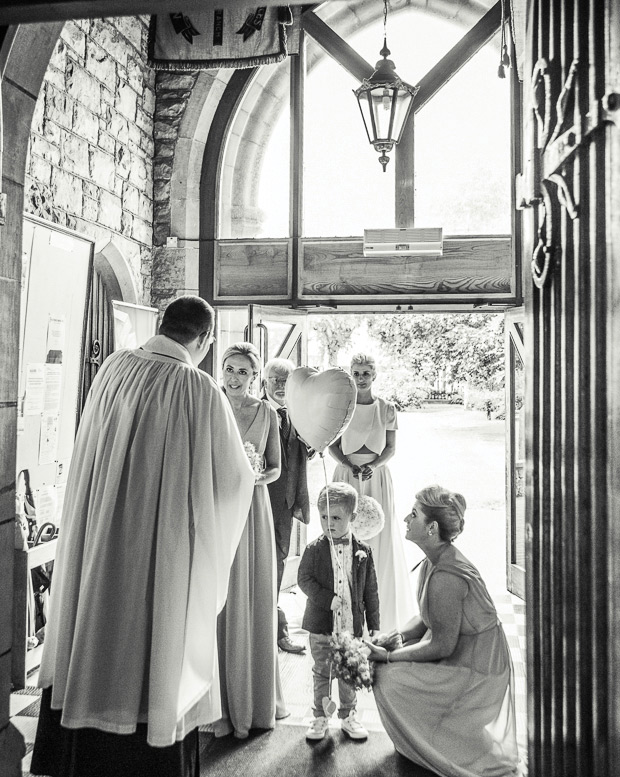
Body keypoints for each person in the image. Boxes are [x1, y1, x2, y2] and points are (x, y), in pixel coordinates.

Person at [30, 296, 255, 777]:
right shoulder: (198, 388)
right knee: (152, 635)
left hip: (99, 533)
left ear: (162, 324)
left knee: (95, 621)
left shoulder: (113, 369)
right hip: (158, 546)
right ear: (205, 340)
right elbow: (235, 482)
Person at [365, 485, 519, 777]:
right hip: (463, 652)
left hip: (478, 668)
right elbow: (424, 619)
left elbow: (442, 646)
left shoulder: (447, 576)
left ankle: (434, 746)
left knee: (386, 676)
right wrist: (392, 639)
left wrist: (388, 657)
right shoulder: (432, 560)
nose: (406, 520)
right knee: (387, 665)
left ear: (432, 527)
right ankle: (430, 739)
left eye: (414, 515)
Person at [215, 342, 285, 739]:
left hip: (253, 509)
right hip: (218, 504)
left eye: (243, 372)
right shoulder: (209, 403)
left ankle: (254, 699)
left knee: (252, 595)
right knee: (217, 594)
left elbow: (274, 467)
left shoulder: (266, 413)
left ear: (254, 377)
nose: (235, 377)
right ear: (221, 369)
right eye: (230, 368)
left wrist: (258, 477)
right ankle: (218, 702)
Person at [329, 353, 413, 631]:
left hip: (376, 476)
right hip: (348, 473)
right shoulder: (343, 406)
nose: (361, 378)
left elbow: (391, 447)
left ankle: (382, 616)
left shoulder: (386, 408)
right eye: (356, 373)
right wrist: (347, 464)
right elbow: (331, 444)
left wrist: (373, 466)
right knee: (345, 535)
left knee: (379, 537)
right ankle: (346, 614)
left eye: (366, 373)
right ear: (350, 375)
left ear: (374, 375)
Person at [298, 482, 380, 742]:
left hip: (350, 627)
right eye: (324, 517)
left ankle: (348, 716)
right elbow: (304, 579)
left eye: (336, 517)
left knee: (348, 673)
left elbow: (371, 592)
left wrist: (374, 625)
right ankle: (321, 716)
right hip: (322, 626)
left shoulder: (363, 552)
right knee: (322, 672)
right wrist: (326, 599)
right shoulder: (314, 549)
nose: (328, 523)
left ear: (352, 518)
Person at [262, 357, 310, 654]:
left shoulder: (297, 414)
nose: (280, 386)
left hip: (286, 503)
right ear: (263, 382)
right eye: (275, 380)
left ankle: (273, 629)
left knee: (278, 564)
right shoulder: (255, 410)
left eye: (286, 381)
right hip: (259, 500)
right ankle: (267, 630)